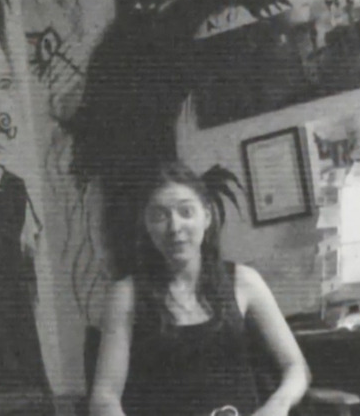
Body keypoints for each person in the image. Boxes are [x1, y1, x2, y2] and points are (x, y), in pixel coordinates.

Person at [90, 161, 310, 416]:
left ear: (206, 216)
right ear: (147, 225)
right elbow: (104, 398)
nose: (175, 227)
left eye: (186, 212)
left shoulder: (244, 281)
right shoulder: (126, 295)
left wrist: (278, 404)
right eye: (160, 216)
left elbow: (296, 367)